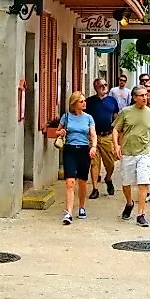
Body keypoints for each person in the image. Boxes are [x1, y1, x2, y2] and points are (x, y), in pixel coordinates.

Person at [112, 86, 150, 227]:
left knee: (143, 182)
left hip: (144, 152)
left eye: (146, 95)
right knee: (127, 183)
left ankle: (141, 214)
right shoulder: (125, 112)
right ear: (134, 98)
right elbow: (115, 129)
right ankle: (129, 203)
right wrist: (116, 145)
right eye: (141, 95)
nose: (145, 97)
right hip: (128, 152)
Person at [56, 91, 97, 225]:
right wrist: (60, 132)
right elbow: (57, 130)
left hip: (84, 150)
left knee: (82, 181)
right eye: (81, 101)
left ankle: (82, 206)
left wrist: (93, 147)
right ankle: (68, 212)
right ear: (74, 104)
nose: (84, 103)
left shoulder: (88, 118)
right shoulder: (66, 117)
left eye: (84, 101)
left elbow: (93, 134)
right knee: (70, 182)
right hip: (70, 149)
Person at [86, 78, 120, 198]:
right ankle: (95, 188)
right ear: (96, 88)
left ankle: (108, 178)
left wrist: (117, 138)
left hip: (108, 136)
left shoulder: (112, 101)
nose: (104, 87)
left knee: (110, 164)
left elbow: (116, 118)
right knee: (94, 163)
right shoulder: (89, 101)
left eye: (105, 84)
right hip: (94, 137)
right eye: (101, 85)